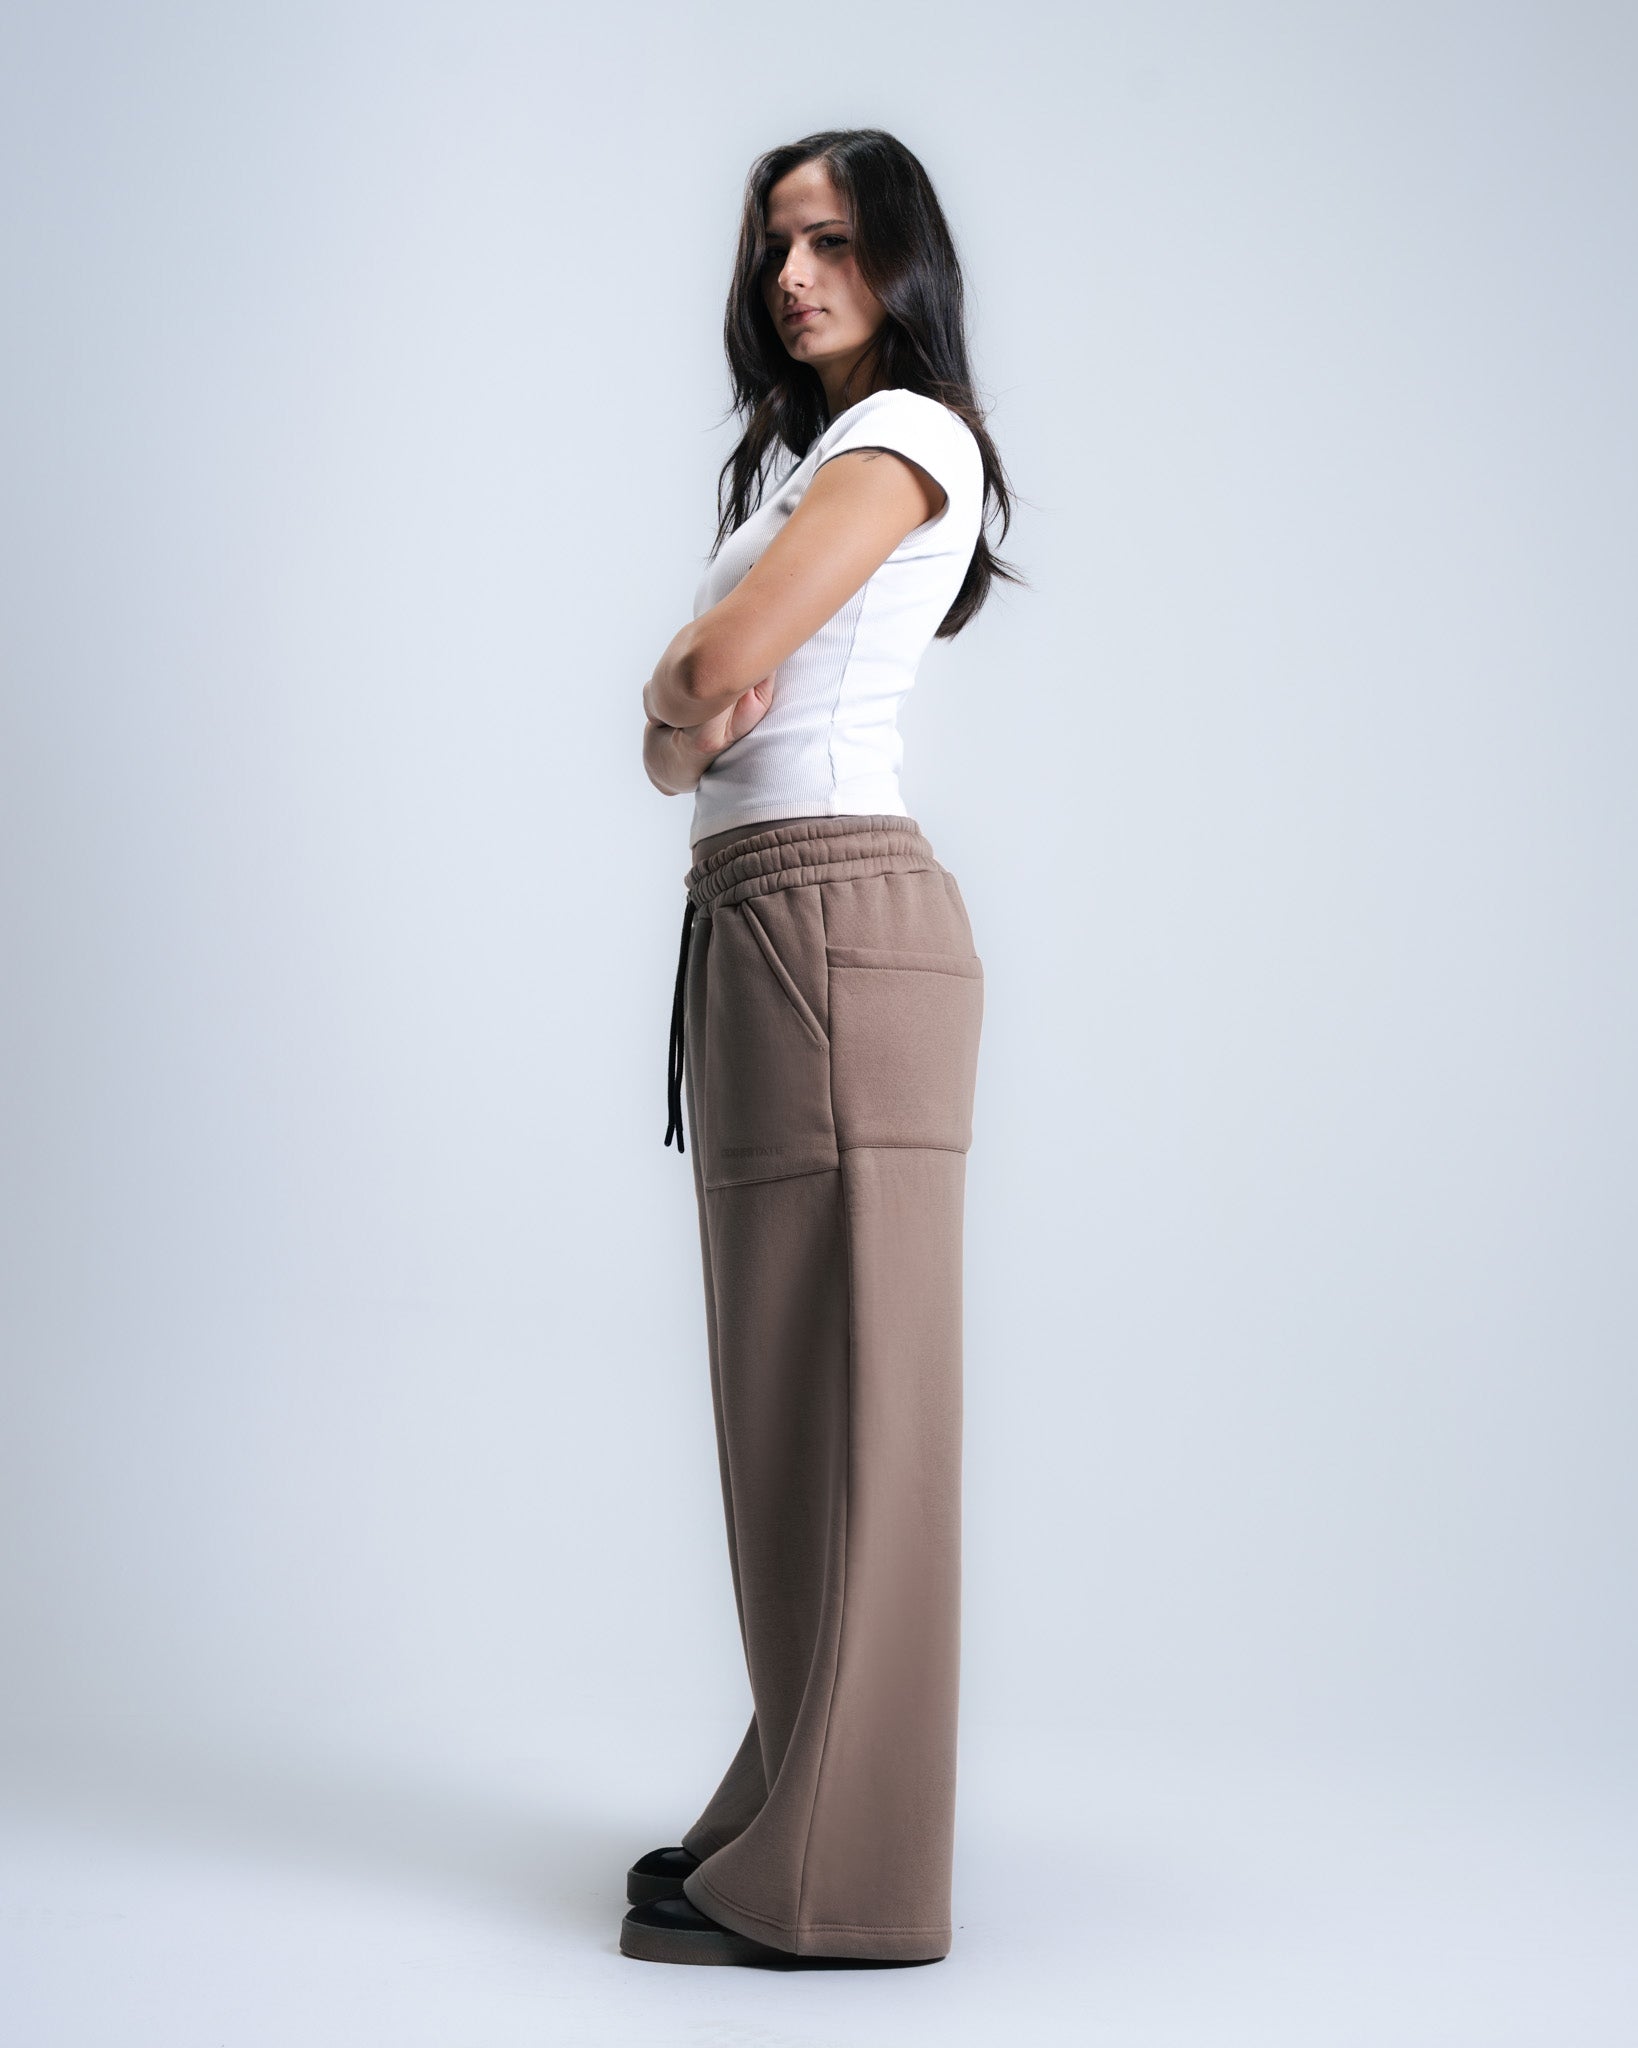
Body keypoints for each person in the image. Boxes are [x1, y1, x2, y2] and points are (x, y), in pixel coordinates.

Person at [624, 127, 1018, 1968]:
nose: (794, 272)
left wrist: (679, 680)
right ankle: (788, 1808)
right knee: (787, 1402)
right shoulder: (800, 459)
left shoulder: (904, 439)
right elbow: (675, 740)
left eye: (835, 239)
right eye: (778, 240)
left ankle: (847, 1883)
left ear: (901, 259)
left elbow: (699, 690)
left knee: (858, 1408)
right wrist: (684, 699)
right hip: (769, 929)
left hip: (833, 924)